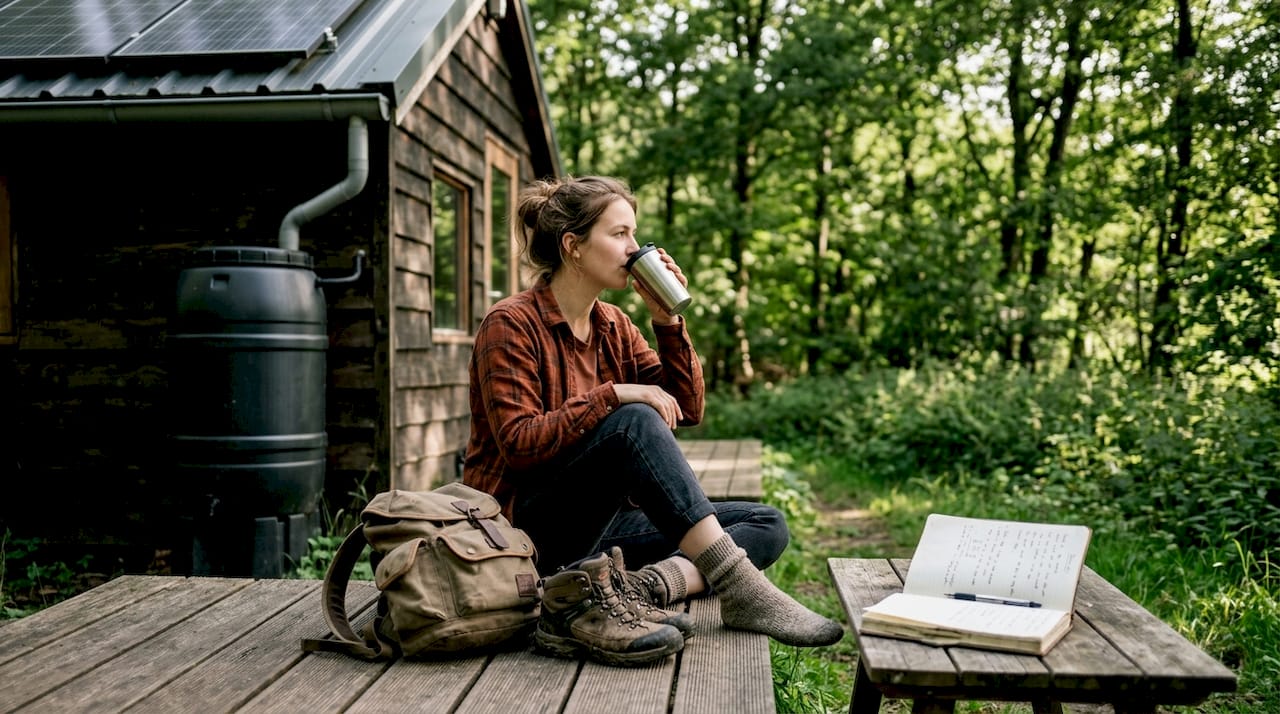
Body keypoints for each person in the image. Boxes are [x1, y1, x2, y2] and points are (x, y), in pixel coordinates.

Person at [463, 175, 843, 666]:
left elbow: (686, 408)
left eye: (634, 235)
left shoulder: (615, 326)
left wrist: (666, 320)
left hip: (601, 530)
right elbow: (519, 443)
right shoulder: (510, 323)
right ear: (573, 246)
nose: (635, 248)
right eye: (619, 234)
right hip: (523, 534)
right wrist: (614, 395)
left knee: (764, 522)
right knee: (632, 419)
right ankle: (740, 589)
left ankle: (634, 588)